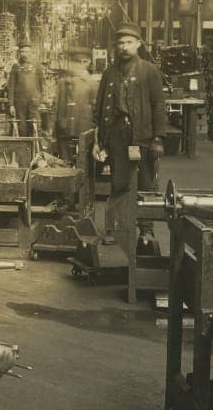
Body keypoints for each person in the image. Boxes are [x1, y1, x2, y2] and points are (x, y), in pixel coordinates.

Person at [93, 23, 167, 245]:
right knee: (119, 182)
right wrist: (99, 141)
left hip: (142, 136)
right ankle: (116, 228)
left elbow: (158, 105)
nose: (124, 47)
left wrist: (158, 138)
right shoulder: (110, 73)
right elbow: (99, 107)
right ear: (116, 46)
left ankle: (146, 230)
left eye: (129, 42)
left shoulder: (149, 71)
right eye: (121, 43)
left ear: (138, 44)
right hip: (117, 135)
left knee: (145, 183)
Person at [52, 49, 96, 161]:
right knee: (64, 162)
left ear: (87, 63)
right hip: (64, 130)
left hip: (83, 130)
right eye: (74, 62)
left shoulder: (91, 83)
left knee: (83, 162)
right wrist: (53, 129)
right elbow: (56, 107)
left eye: (82, 62)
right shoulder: (63, 82)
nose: (76, 65)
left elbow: (96, 109)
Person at [7, 44, 44, 137]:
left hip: (34, 102)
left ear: (31, 53)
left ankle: (36, 146)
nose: (24, 54)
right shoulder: (16, 66)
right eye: (22, 51)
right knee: (21, 128)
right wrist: (11, 104)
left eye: (27, 52)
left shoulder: (37, 66)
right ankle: (23, 146)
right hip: (19, 103)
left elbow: (42, 83)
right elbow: (11, 86)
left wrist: (41, 99)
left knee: (36, 126)